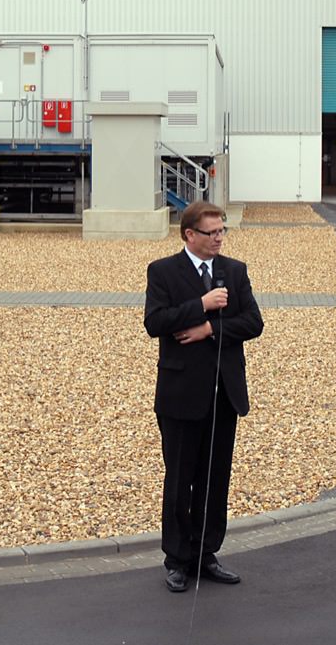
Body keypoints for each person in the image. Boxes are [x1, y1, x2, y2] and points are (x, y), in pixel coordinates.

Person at [144, 201, 263, 593]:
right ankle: (177, 559)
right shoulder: (163, 271)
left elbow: (253, 322)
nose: (219, 239)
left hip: (224, 394)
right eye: (211, 232)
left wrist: (209, 329)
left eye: (221, 231)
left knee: (215, 478)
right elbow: (155, 322)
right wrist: (201, 306)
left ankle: (205, 553)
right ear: (189, 234)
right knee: (181, 479)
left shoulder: (235, 271)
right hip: (181, 395)